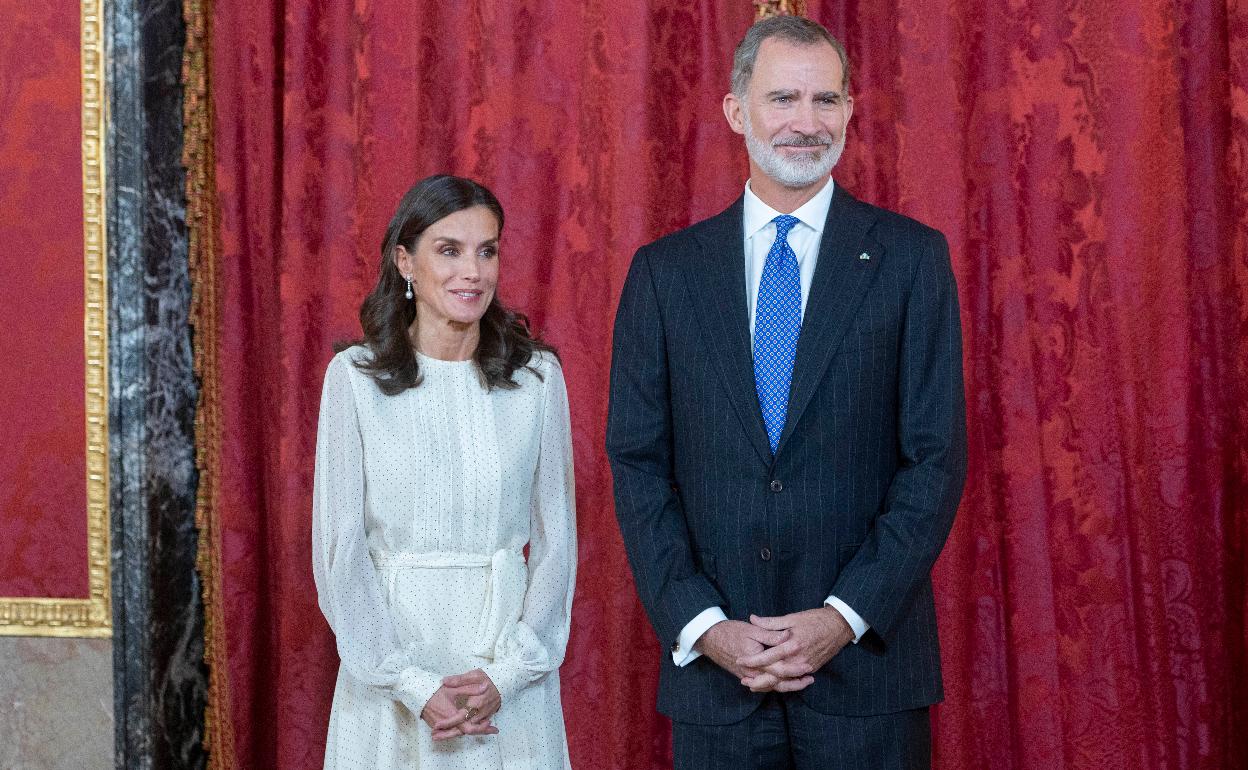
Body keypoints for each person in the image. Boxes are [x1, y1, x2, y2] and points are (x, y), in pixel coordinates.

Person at [607, 15, 967, 769]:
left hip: (867, 675)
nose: (806, 123)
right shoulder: (664, 274)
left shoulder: (911, 260)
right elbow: (639, 464)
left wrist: (843, 617)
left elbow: (934, 460)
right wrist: (705, 626)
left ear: (850, 111)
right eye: (782, 99)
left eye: (825, 100)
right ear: (737, 111)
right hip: (717, 684)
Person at [312, 175, 576, 769]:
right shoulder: (355, 379)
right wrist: (411, 683)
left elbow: (558, 546)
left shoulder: (536, 380)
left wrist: (505, 675)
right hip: (391, 675)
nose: (473, 272)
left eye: (487, 251)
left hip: (506, 678)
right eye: (449, 250)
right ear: (405, 261)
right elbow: (340, 551)